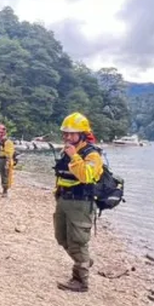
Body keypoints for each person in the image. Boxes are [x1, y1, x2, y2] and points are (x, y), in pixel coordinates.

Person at [53, 112, 104, 292]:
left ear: (82, 134)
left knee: (78, 241)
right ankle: (84, 260)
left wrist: (74, 157)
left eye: (72, 134)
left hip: (81, 203)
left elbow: (86, 176)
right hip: (64, 200)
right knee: (61, 238)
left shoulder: (92, 155)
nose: (67, 137)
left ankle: (80, 281)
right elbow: (61, 176)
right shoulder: (67, 151)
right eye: (65, 134)